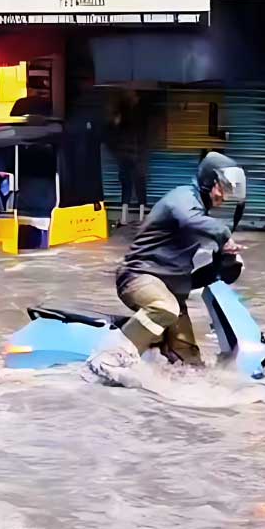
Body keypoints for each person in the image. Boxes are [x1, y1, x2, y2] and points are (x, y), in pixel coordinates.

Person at [87, 152, 248, 383]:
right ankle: (107, 358)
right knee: (165, 308)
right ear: (208, 182)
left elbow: (197, 276)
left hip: (170, 291)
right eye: (221, 188)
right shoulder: (184, 198)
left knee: (191, 367)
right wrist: (224, 235)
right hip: (138, 276)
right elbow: (191, 220)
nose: (224, 196)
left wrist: (227, 263)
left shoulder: (201, 218)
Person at [107, 89, 148, 226]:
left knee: (128, 184)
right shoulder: (140, 113)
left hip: (127, 154)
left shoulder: (125, 112)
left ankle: (126, 217)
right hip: (135, 154)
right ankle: (139, 218)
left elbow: (114, 132)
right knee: (137, 184)